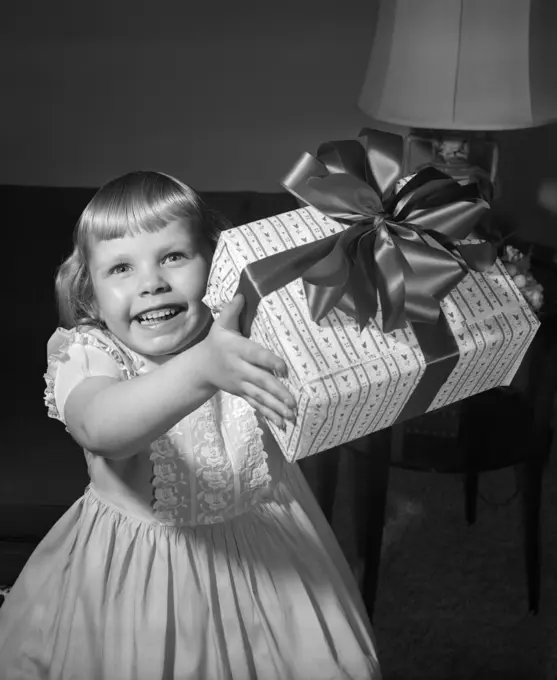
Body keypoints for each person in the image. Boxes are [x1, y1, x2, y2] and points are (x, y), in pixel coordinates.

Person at [0, 171, 380, 679]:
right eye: (120, 268)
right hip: (139, 574)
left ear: (216, 263)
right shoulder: (92, 352)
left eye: (173, 257)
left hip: (271, 548)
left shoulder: (247, 333)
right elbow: (99, 426)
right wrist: (204, 370)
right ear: (90, 292)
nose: (152, 282)